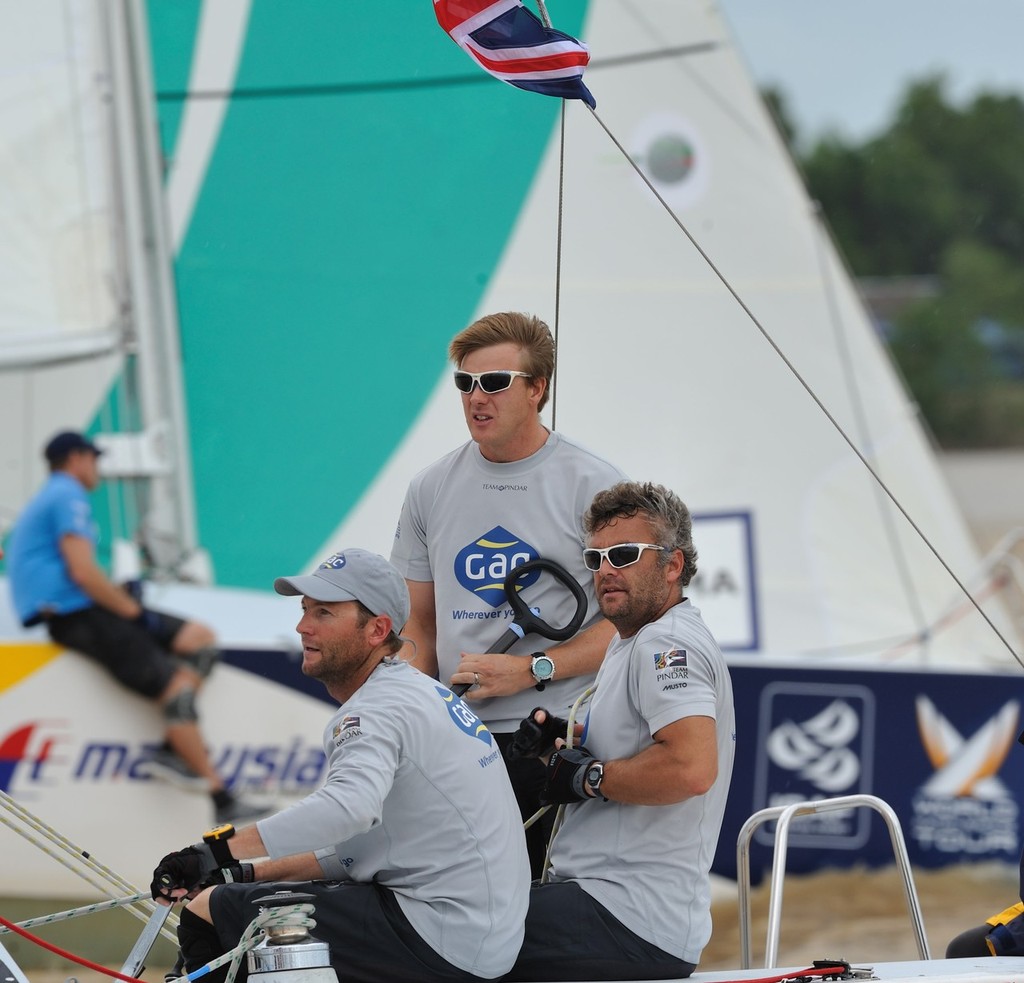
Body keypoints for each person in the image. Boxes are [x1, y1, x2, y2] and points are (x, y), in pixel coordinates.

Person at [151, 548, 530, 983]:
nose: (302, 626)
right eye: (304, 609)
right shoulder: (416, 692)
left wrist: (212, 853)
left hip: (440, 937)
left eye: (324, 613)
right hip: (476, 938)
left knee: (207, 911)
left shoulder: (372, 711)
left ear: (377, 630)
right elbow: (353, 851)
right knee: (231, 894)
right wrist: (240, 871)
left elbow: (346, 811)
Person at [390, 311, 626, 874]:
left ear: (537, 389)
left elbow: (630, 623)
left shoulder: (595, 486)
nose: (477, 397)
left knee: (538, 908)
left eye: (495, 382)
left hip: (561, 737)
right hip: (460, 739)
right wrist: (415, 715)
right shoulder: (429, 486)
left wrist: (531, 670)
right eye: (465, 383)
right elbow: (416, 626)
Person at [505, 480, 736, 982]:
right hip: (612, 905)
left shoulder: (666, 644)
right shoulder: (632, 641)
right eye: (595, 558)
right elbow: (631, 752)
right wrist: (559, 747)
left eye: (625, 554)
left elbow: (690, 767)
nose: (606, 569)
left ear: (673, 565)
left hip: (629, 916)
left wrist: (589, 778)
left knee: (448, 934)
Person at [5, 430, 263, 824]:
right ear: (76, 459)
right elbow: (84, 574)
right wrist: (133, 612)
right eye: (94, 458)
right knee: (175, 691)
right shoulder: (66, 494)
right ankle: (221, 796)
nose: (98, 468)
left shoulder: (52, 497)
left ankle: (173, 745)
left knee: (201, 640)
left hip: (79, 606)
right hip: (77, 613)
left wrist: (126, 603)